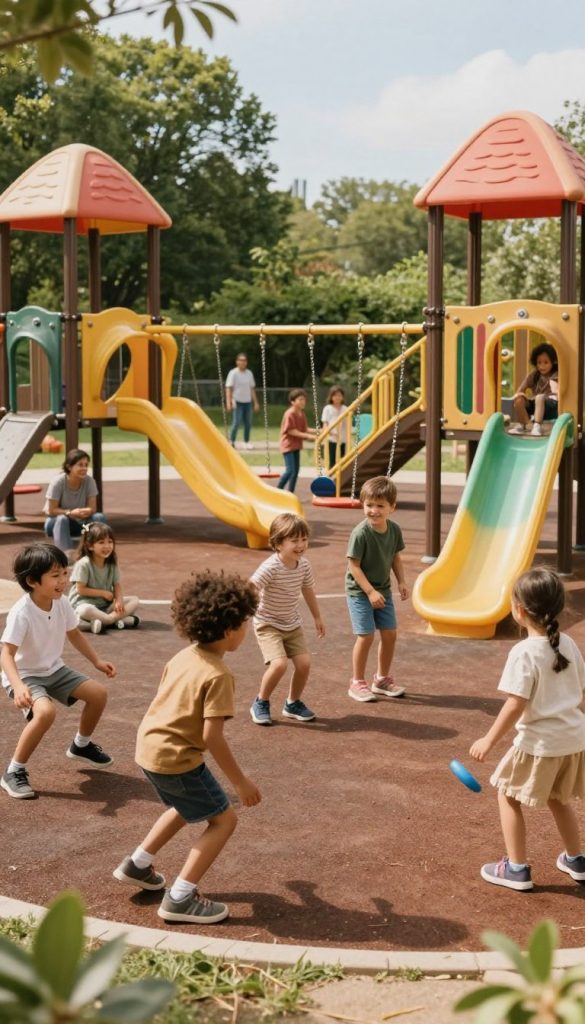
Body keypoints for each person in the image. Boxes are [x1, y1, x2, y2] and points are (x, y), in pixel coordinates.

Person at [113, 570, 261, 925]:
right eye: (244, 623)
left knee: (183, 805)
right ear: (228, 631)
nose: (247, 630)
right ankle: (180, 898)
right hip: (177, 758)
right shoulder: (219, 675)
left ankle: (138, 864)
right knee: (223, 820)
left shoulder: (183, 656)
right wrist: (241, 782)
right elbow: (213, 737)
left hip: (149, 750)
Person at [470, 568, 585, 891]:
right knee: (559, 798)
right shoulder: (570, 644)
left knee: (507, 796)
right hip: (573, 739)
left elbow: (515, 704)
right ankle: (576, 860)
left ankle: (517, 868)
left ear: (519, 610)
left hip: (540, 743)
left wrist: (488, 741)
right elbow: (581, 694)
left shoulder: (523, 652)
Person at [0, 543, 116, 800]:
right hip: (26, 674)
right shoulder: (22, 612)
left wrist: (96, 661)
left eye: (64, 573)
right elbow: (6, 654)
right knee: (45, 713)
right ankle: (13, 771)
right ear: (32, 581)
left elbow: (74, 633)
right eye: (55, 575)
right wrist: (19, 686)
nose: (64, 580)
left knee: (98, 694)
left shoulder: (61, 602)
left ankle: (81, 745)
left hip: (53, 669)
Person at [249, 513, 325, 726]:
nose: (301, 545)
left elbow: (308, 589)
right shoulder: (271, 567)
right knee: (279, 664)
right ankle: (260, 702)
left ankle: (292, 703)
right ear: (277, 543)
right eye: (294, 540)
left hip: (292, 623)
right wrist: (242, 609)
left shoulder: (304, 565)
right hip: (268, 624)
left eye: (303, 539)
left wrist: (317, 616)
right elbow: (251, 587)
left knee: (304, 663)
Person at [346, 476, 408, 703]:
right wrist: (370, 592)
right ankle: (357, 682)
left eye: (380, 506)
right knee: (366, 635)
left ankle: (381, 679)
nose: (373, 510)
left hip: (383, 589)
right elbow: (354, 566)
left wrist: (401, 581)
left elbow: (395, 556)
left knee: (390, 634)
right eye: (369, 505)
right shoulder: (360, 533)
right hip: (360, 591)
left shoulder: (394, 530)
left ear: (392, 507)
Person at [68, 523, 140, 634]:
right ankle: (114, 620)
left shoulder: (112, 562)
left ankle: (101, 621)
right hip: (83, 604)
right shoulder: (84, 564)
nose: (107, 546)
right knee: (85, 610)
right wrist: (102, 593)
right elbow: (80, 589)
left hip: (105, 606)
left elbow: (117, 585)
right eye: (101, 542)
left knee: (134, 600)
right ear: (90, 545)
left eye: (110, 542)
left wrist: (119, 602)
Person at [44, 448, 107, 556]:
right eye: (80, 465)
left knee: (99, 517)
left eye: (86, 465)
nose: (84, 468)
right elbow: (51, 511)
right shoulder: (58, 482)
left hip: (80, 523)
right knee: (62, 519)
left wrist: (87, 510)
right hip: (56, 523)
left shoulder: (90, 481)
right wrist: (70, 513)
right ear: (69, 466)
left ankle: (98, 551)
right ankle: (65, 555)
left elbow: (92, 508)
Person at [510, 342, 559, 437]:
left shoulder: (555, 374)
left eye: (546, 362)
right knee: (519, 399)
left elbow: (557, 392)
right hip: (536, 404)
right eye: (539, 363)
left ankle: (537, 425)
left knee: (540, 397)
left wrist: (554, 385)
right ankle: (526, 425)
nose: (542, 366)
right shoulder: (535, 375)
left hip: (551, 406)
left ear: (552, 362)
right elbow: (520, 390)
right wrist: (521, 396)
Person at [277, 388, 317, 493]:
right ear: (293, 401)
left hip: (296, 445)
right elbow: (291, 431)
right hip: (288, 445)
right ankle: (277, 490)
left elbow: (305, 429)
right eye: (300, 399)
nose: (303, 401)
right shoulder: (290, 413)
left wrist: (319, 431)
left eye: (304, 399)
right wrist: (308, 436)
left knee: (295, 471)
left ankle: (290, 493)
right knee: (290, 470)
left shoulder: (301, 414)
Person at [225, 353, 259, 449]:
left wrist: (255, 402)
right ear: (237, 362)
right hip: (237, 401)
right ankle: (231, 441)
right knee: (236, 423)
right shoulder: (233, 373)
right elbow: (228, 388)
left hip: (247, 401)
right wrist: (229, 402)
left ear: (246, 362)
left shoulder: (249, 373)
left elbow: (252, 389)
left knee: (248, 422)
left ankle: (246, 441)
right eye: (240, 360)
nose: (242, 362)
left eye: (244, 360)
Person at [321, 385, 348, 468]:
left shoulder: (345, 408)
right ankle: (331, 477)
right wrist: (330, 432)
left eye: (339, 395)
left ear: (342, 397)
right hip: (331, 438)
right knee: (332, 460)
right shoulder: (328, 408)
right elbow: (325, 423)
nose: (337, 397)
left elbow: (348, 423)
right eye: (335, 395)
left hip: (342, 438)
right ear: (331, 397)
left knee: (342, 460)